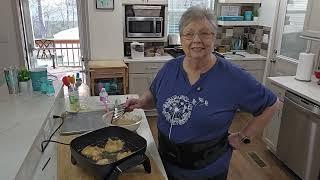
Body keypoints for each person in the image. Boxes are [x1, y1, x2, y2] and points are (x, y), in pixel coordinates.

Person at [125, 6, 280, 180]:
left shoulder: (232, 76)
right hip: (166, 163)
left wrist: (243, 136)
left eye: (205, 33)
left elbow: (272, 104)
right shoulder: (169, 68)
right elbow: (154, 95)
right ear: (182, 38)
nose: (196, 40)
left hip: (208, 170)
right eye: (189, 34)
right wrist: (141, 101)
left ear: (214, 37)